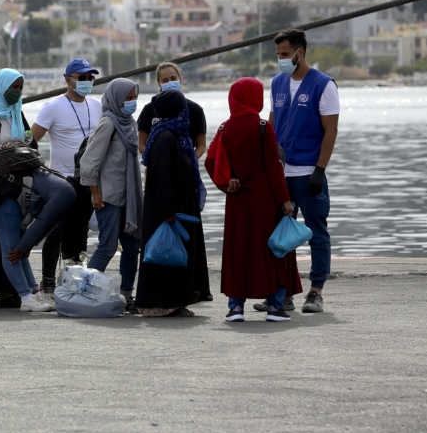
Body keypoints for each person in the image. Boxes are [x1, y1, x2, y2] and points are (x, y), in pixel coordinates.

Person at [0, 69, 74, 312]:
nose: (16, 92)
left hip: (12, 188)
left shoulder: (18, 113)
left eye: (20, 87)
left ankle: (10, 292)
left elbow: (32, 143)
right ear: (0, 86)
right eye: (12, 86)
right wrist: (3, 151)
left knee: (9, 240)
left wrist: (21, 149)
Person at [205, 78, 302, 322]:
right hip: (265, 201)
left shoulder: (224, 128)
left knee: (240, 251)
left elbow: (210, 161)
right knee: (273, 252)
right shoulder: (262, 126)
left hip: (237, 203)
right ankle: (275, 306)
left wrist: (226, 183)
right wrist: (285, 200)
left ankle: (235, 307)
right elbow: (273, 167)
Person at [267, 28, 338, 314]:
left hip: (309, 173)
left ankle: (316, 291)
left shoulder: (324, 85)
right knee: (283, 235)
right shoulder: (276, 83)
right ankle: (283, 293)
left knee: (317, 232)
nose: (281, 59)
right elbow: (272, 123)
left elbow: (330, 131)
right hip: (283, 174)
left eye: (285, 54)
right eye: (278, 55)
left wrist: (319, 170)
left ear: (300, 52)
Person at [133, 90, 211, 316]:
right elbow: (163, 178)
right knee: (166, 256)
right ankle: (162, 303)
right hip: (167, 210)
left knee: (175, 256)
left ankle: (175, 301)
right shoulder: (166, 138)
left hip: (176, 207)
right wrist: (168, 211)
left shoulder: (173, 135)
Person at [30, 58, 102, 293]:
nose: (86, 82)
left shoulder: (97, 106)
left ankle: (75, 279)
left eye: (90, 78)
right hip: (61, 180)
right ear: (68, 80)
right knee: (56, 231)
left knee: (80, 232)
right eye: (81, 78)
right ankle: (48, 282)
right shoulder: (53, 107)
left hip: (88, 179)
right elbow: (32, 139)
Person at [78, 78, 143, 314]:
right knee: (107, 246)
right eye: (127, 98)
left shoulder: (129, 123)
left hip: (129, 197)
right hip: (109, 196)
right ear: (116, 99)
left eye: (134, 97)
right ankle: (84, 292)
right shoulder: (108, 123)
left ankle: (127, 294)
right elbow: (89, 161)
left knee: (132, 246)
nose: (131, 102)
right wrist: (95, 192)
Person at [137, 61, 208, 159]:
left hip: (186, 169)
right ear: (159, 83)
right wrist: (155, 161)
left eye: (173, 78)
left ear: (180, 79)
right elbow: (141, 145)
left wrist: (190, 161)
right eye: (165, 80)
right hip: (157, 168)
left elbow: (202, 146)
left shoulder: (195, 110)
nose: (170, 82)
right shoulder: (149, 109)